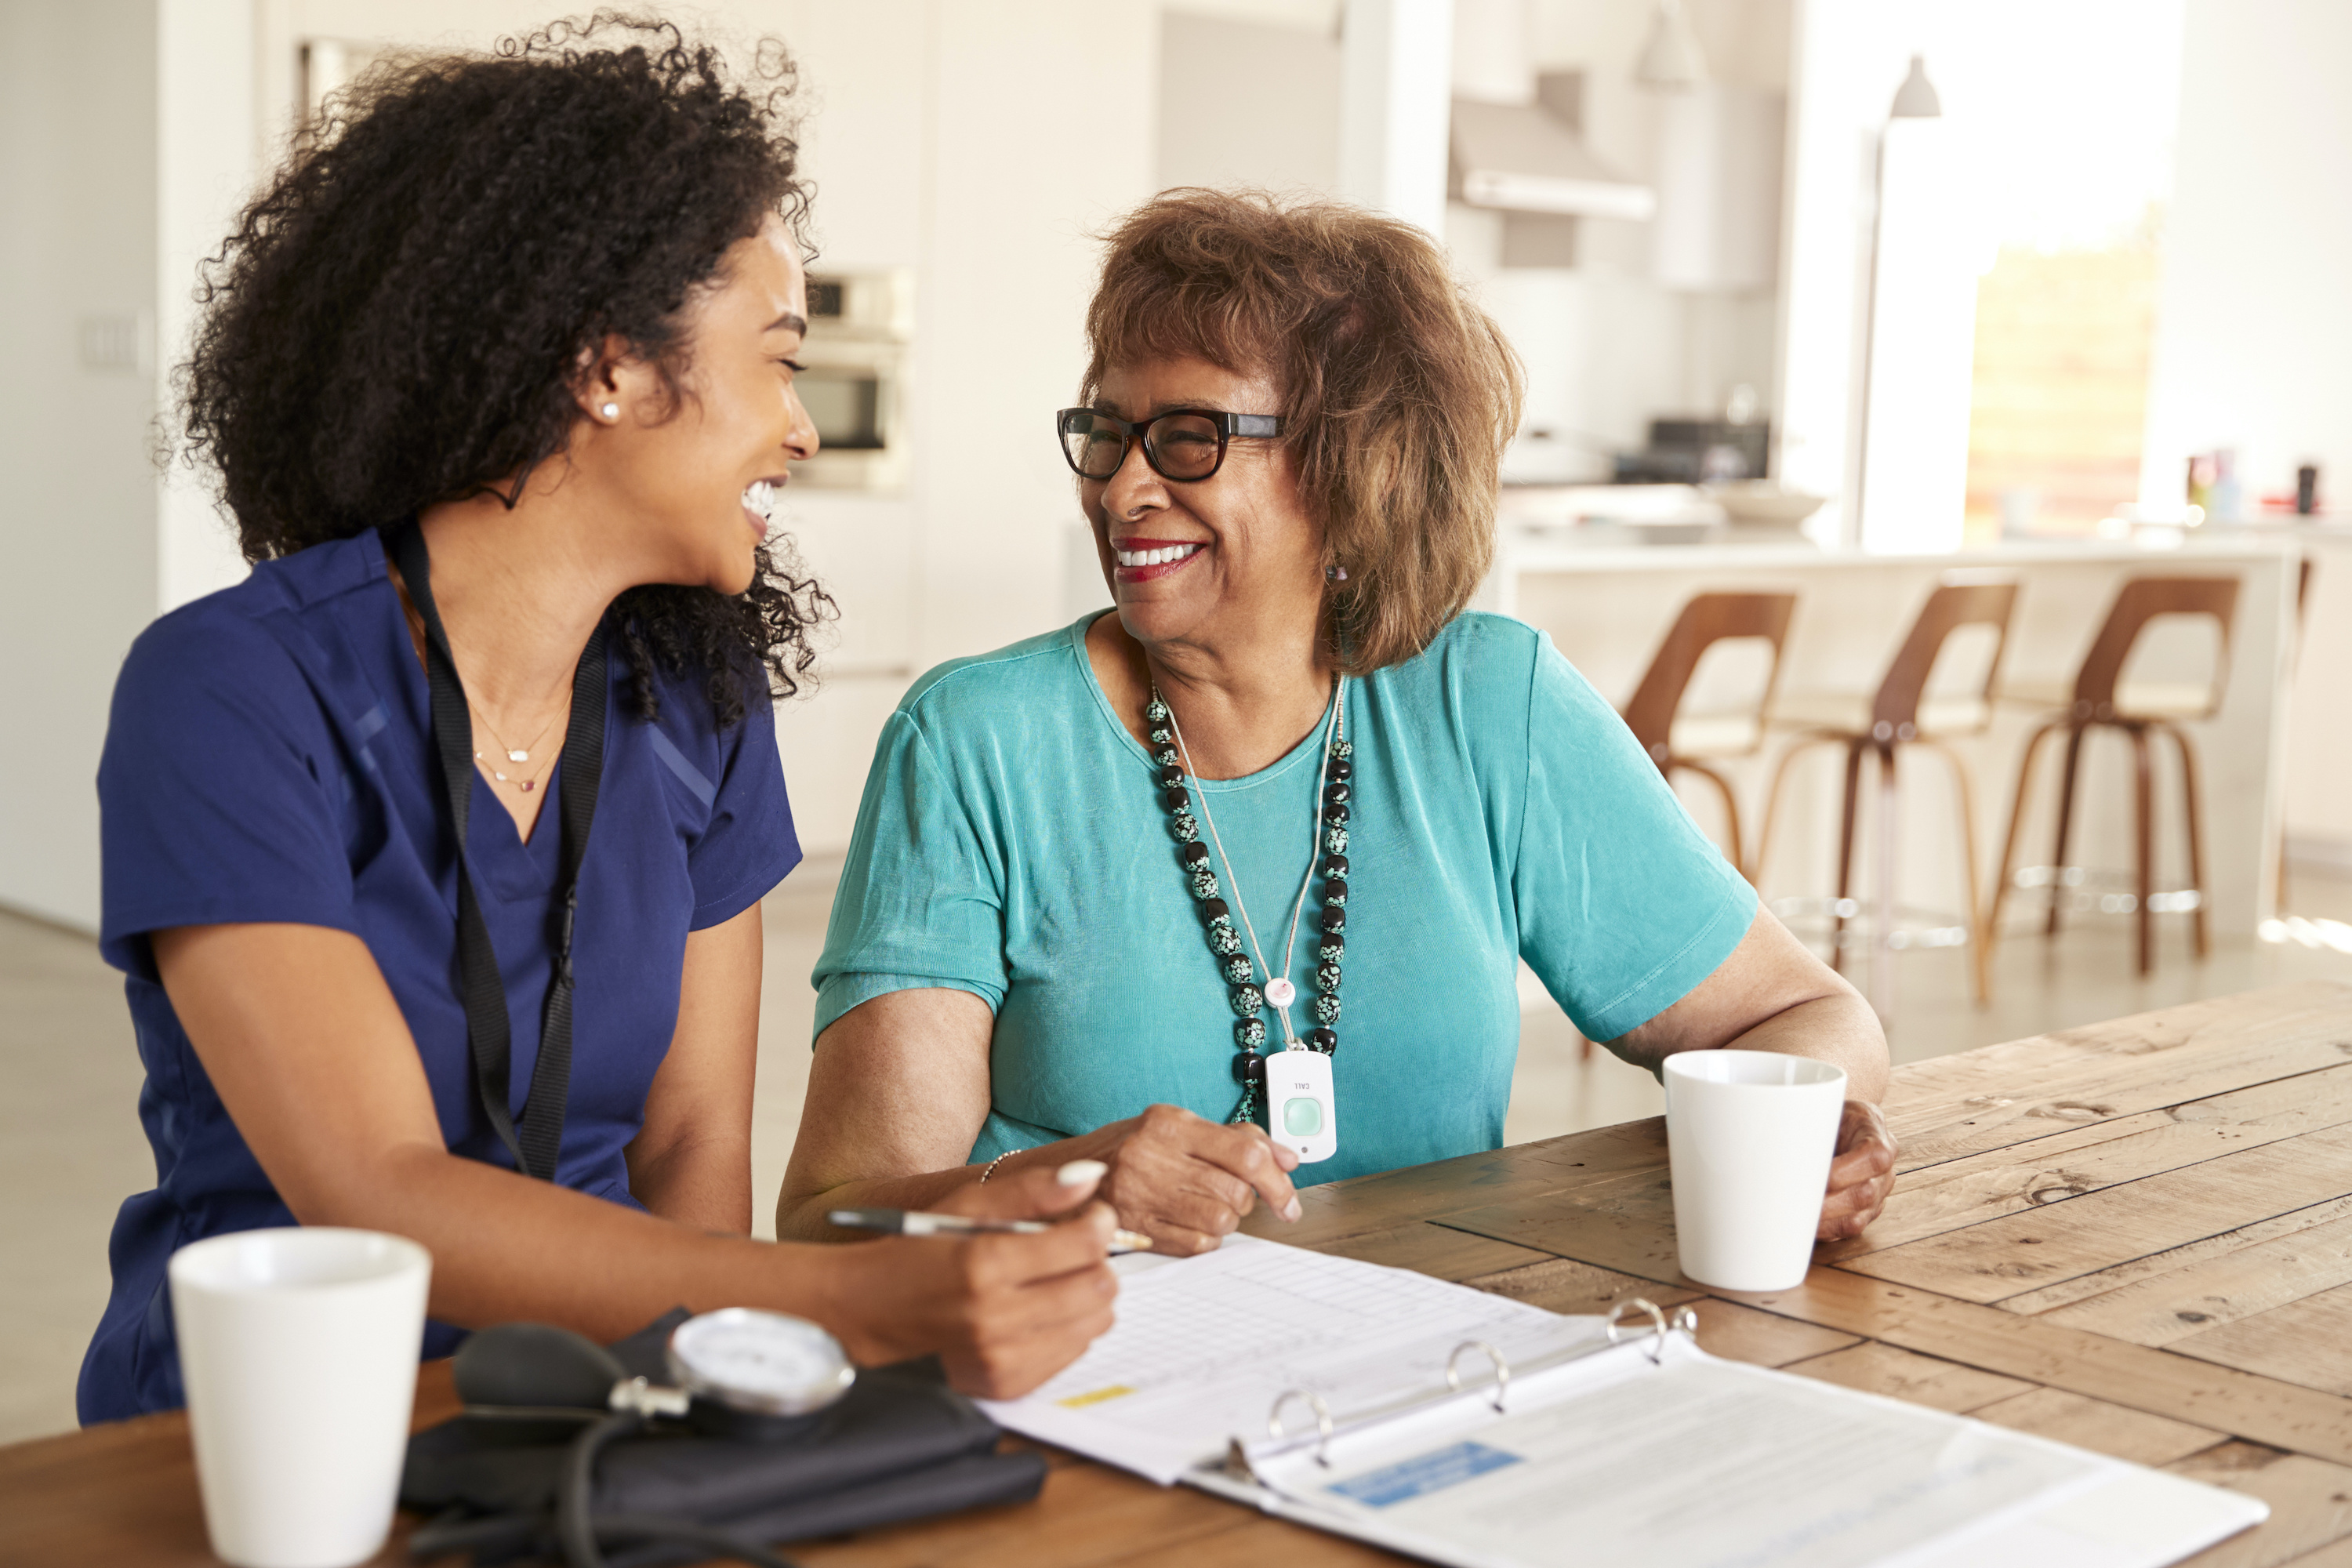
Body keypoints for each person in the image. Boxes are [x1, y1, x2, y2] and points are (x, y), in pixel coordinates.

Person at [81, 18, 1112, 1425]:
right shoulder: (228, 692)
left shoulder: (698, 698)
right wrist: (853, 1307)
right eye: (779, 359)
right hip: (269, 1429)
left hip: (603, 1410)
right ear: (611, 369)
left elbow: (692, 1144)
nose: (802, 429)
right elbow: (374, 1186)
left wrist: (714, 1402)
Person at [779, 190, 1898, 1255]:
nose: (1121, 492)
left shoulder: (1488, 706)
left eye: (1188, 439)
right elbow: (837, 1215)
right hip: (1090, 1373)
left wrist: (1806, 1136)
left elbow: (1806, 1015)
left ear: (1354, 466)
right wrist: (1061, 1187)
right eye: (1108, 434)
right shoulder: (976, 744)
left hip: (1437, 1370)